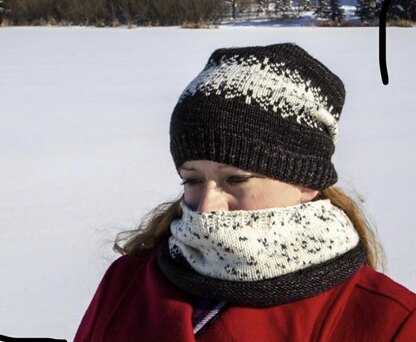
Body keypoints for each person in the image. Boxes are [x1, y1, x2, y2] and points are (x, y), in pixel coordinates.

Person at [74, 43, 416, 341]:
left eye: (235, 179)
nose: (207, 206)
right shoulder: (127, 282)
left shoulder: (390, 320)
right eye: (192, 180)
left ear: (306, 183)